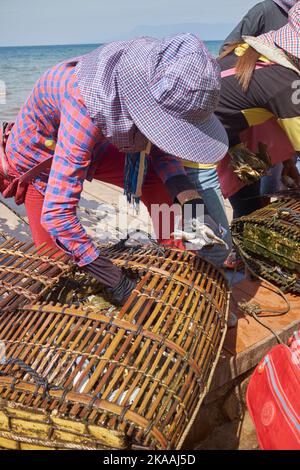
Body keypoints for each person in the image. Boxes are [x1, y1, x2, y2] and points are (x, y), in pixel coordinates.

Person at [0, 33, 229, 306]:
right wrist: (116, 280)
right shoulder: (85, 103)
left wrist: (193, 207)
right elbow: (58, 213)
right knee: (53, 264)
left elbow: (159, 145)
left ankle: (174, 252)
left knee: (155, 177)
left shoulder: (155, 73)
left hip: (95, 144)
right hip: (40, 160)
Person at [215, 3, 300, 222]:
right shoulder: (285, 82)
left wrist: (288, 162)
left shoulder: (252, 53)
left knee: (247, 211)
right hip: (199, 142)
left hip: (231, 138)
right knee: (200, 220)